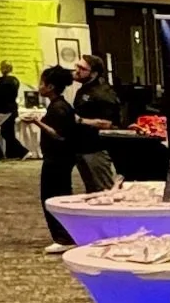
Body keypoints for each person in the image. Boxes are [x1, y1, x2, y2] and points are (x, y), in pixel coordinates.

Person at [36, 66, 80, 249]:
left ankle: (63, 237)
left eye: (42, 83)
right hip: (59, 158)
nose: (39, 86)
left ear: (51, 86)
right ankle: (63, 236)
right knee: (56, 194)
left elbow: (59, 134)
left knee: (54, 196)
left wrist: (37, 122)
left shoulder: (59, 108)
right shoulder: (59, 105)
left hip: (58, 159)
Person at [71, 54, 120, 190]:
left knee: (104, 190)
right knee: (91, 190)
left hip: (97, 149)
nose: (77, 70)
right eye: (77, 66)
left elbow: (108, 123)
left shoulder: (103, 93)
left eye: (82, 68)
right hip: (83, 147)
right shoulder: (84, 89)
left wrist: (80, 120)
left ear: (94, 73)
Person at [0, 61, 22, 159]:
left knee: (6, 133)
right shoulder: (15, 80)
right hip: (13, 108)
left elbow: (1, 96)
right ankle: (11, 153)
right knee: (9, 132)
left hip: (4, 109)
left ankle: (22, 151)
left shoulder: (4, 81)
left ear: (4, 68)